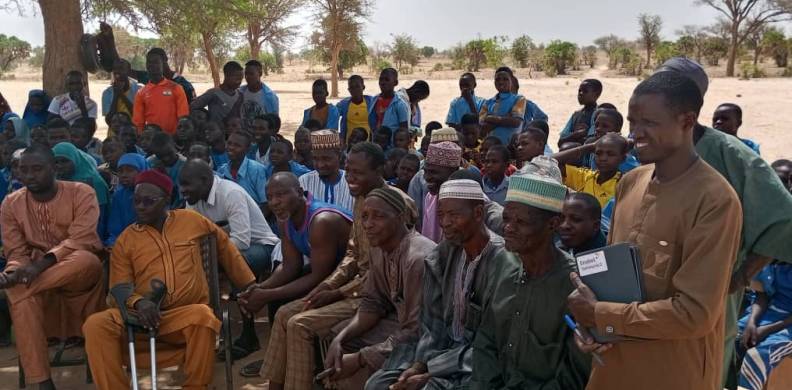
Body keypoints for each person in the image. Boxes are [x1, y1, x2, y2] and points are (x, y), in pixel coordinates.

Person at [567, 71, 743, 389]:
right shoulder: (631, 183)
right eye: (633, 122)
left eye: (649, 123)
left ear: (687, 121)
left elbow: (694, 313)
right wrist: (589, 328)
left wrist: (600, 314)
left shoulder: (715, 200)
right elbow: (609, 275)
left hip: (671, 371)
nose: (635, 134)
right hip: (611, 366)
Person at [657, 58, 792, 386]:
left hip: (710, 295)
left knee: (702, 370)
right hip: (654, 293)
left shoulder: (732, 155)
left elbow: (783, 219)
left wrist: (740, 277)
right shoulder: (652, 148)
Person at [252, 143, 416, 386]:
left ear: (380, 169)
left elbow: (384, 270)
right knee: (285, 313)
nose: (349, 178)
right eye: (348, 171)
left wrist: (338, 292)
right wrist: (328, 285)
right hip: (357, 286)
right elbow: (353, 253)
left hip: (379, 296)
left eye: (357, 173)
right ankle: (275, 384)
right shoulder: (362, 199)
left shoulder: (394, 204)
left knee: (299, 323)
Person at [84, 169, 256, 390]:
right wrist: (139, 302)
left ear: (166, 200)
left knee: (202, 315)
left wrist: (249, 287)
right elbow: (119, 286)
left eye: (149, 201)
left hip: (182, 317)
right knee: (95, 325)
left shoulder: (191, 220)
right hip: (140, 318)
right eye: (136, 201)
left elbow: (225, 247)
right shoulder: (126, 240)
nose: (141, 206)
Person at [366, 179, 509, 390]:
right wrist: (419, 365)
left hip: (477, 359)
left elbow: (491, 344)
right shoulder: (444, 253)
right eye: (441, 215)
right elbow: (432, 322)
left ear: (478, 213)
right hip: (442, 349)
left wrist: (431, 371)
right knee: (378, 383)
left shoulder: (502, 260)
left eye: (454, 215)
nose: (445, 222)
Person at [471, 157, 590, 389]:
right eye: (506, 218)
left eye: (521, 222)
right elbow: (485, 339)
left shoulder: (576, 285)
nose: (508, 228)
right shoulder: (502, 264)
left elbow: (575, 373)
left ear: (553, 224)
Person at [0, 144, 105, 390]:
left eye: (36, 169)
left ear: (54, 168)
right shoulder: (10, 203)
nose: (29, 176)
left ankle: (22, 286)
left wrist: (37, 268)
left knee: (84, 259)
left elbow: (81, 239)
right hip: (38, 284)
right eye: (23, 170)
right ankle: (43, 382)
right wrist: (13, 272)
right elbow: (16, 253)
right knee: (18, 292)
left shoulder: (82, 192)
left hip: (80, 276)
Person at [323, 187, 435, 389]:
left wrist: (361, 358)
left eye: (378, 216)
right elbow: (372, 303)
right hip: (402, 324)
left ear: (400, 217)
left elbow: (416, 330)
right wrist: (340, 338)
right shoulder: (378, 248)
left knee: (367, 363)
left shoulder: (417, 258)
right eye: (364, 217)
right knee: (338, 337)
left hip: (430, 337)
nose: (368, 225)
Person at [237, 172, 352, 366]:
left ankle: (312, 368)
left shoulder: (321, 220)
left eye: (281, 195)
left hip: (349, 274)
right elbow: (291, 265)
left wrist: (267, 295)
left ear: (299, 192)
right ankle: (282, 361)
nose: (274, 202)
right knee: (276, 301)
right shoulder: (285, 219)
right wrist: (261, 288)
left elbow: (318, 276)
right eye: (270, 196)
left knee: (295, 307)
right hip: (327, 270)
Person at [180, 159, 279, 358]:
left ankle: (249, 337)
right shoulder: (193, 199)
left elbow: (241, 241)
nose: (183, 190)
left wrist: (209, 254)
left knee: (236, 262)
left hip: (261, 247)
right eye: (181, 185)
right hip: (224, 251)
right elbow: (192, 237)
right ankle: (204, 326)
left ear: (205, 180)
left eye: (187, 185)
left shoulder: (230, 194)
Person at [736, 263, 792, 390]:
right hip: (768, 313)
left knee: (757, 356)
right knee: (733, 337)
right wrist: (752, 324)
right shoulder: (773, 256)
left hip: (788, 327)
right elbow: (762, 295)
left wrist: (766, 330)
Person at [52, 142, 111, 239]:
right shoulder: (56, 181)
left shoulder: (95, 183)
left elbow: (100, 218)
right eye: (56, 162)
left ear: (75, 160)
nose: (60, 166)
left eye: (64, 161)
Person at [553, 133, 629, 208]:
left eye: (610, 154)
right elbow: (550, 162)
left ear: (623, 158)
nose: (603, 158)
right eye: (598, 153)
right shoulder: (586, 177)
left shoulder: (624, 184)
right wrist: (590, 147)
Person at [133, 49, 190, 134]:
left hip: (173, 139)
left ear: (162, 64)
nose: (152, 65)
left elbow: (183, 117)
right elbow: (138, 122)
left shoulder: (176, 88)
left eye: (156, 62)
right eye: (149, 62)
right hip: (152, 140)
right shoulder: (141, 93)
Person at [298, 130, 354, 212]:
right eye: (315, 159)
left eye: (326, 159)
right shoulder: (304, 181)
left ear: (339, 156)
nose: (320, 164)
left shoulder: (352, 182)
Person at [104, 153, 148, 247]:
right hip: (124, 243)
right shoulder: (119, 195)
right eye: (120, 171)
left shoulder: (152, 194)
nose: (124, 175)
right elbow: (115, 229)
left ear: (142, 171)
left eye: (130, 170)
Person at [217, 131, 269, 206]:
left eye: (237, 145)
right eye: (229, 143)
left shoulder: (257, 170)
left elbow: (266, 203)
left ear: (247, 149)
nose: (231, 147)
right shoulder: (222, 171)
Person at [479, 67, 527, 145]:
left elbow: (516, 122)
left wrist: (491, 118)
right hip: (490, 147)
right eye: (497, 79)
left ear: (512, 81)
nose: (501, 82)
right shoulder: (488, 103)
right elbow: (482, 128)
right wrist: (506, 118)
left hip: (509, 147)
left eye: (505, 79)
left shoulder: (519, 99)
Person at [147, 132, 187, 207]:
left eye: (169, 153)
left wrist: (164, 175)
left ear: (174, 145)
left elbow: (183, 196)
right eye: (160, 156)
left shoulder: (185, 164)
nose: (166, 159)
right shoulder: (150, 162)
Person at [557, 79, 602, 145]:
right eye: (579, 91)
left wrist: (572, 137)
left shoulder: (600, 116)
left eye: (585, 91)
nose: (580, 94)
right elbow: (560, 141)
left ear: (596, 94)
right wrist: (576, 135)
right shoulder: (576, 115)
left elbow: (594, 140)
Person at [101, 59, 142, 131]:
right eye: (115, 68)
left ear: (129, 71)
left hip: (133, 134)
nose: (117, 71)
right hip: (114, 136)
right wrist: (116, 95)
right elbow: (109, 121)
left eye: (121, 68)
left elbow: (137, 116)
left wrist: (122, 95)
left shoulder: (138, 90)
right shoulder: (107, 93)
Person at [370, 68, 410, 139]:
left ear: (395, 83)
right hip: (376, 142)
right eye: (381, 79)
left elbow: (404, 130)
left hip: (392, 145)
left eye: (387, 80)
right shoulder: (374, 100)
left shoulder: (399, 104)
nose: (383, 82)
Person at [240, 59, 280, 129]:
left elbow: (274, 123)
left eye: (251, 74)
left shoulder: (270, 97)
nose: (247, 77)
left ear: (260, 73)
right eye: (246, 74)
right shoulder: (240, 92)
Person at [337, 75, 374, 144]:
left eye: (357, 86)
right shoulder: (344, 105)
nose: (355, 90)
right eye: (352, 87)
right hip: (350, 144)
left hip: (367, 144)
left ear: (363, 87)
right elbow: (333, 114)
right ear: (349, 89)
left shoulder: (371, 102)